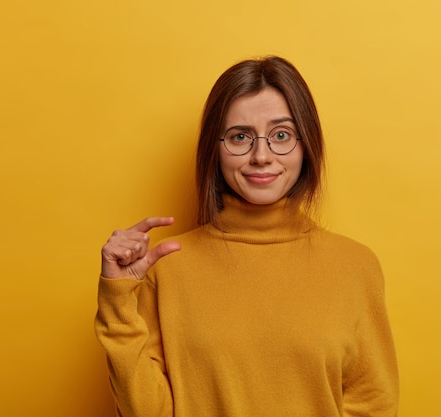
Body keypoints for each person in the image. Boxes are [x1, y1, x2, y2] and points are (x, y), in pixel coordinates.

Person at [95, 56, 399, 417]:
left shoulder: (355, 266)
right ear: (215, 148)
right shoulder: (169, 267)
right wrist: (118, 299)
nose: (261, 156)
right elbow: (145, 412)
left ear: (307, 145)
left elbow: (374, 404)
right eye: (241, 136)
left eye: (281, 135)